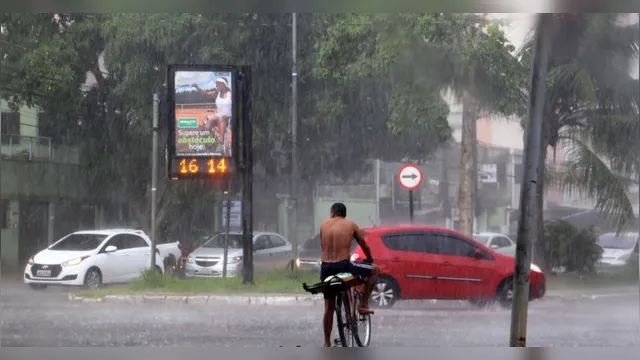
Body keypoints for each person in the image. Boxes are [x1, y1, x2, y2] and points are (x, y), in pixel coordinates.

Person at [319, 202, 379, 347]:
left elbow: (323, 245)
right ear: (344, 215)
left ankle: (327, 343)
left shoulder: (323, 225)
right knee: (375, 270)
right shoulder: (350, 224)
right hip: (343, 265)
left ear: (332, 213)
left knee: (329, 307)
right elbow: (364, 245)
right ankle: (363, 304)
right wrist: (370, 259)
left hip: (326, 268)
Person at [191, 78, 232, 155]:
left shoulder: (230, 94)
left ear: (223, 84)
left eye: (217, 84)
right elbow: (206, 93)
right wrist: (197, 87)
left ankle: (221, 143)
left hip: (229, 117)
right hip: (218, 116)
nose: (216, 85)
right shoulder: (217, 93)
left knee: (221, 118)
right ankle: (204, 143)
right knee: (207, 118)